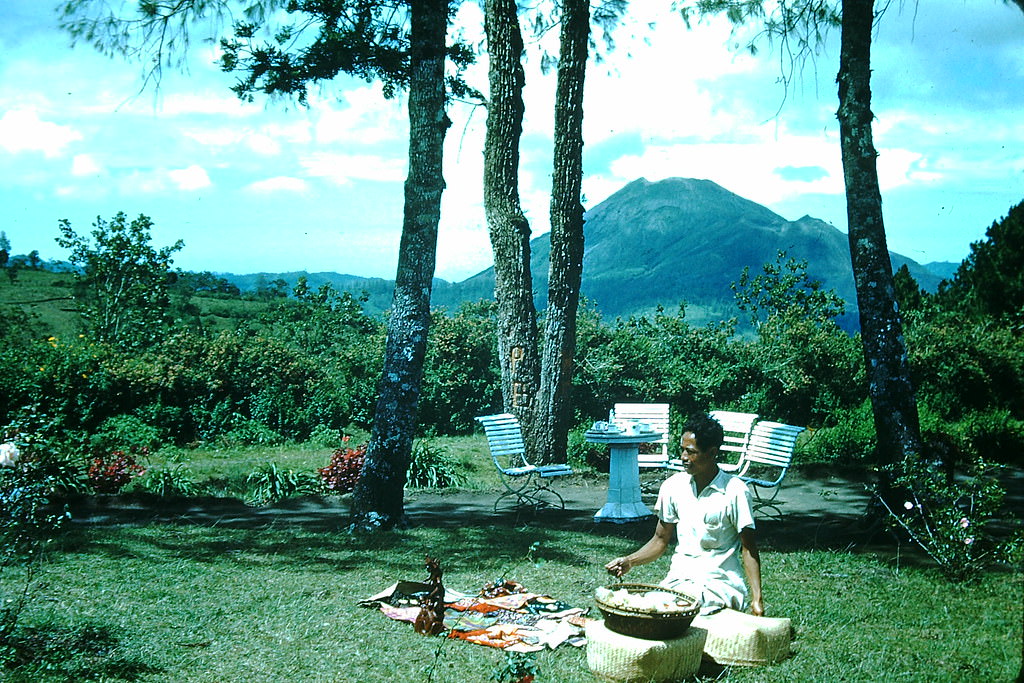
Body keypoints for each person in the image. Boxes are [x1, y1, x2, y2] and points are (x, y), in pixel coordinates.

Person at [605, 413, 764, 616]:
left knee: (686, 610)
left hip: (719, 583)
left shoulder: (735, 491)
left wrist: (757, 600)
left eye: (691, 452)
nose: (683, 457)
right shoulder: (673, 487)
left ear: (712, 452)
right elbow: (660, 540)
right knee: (650, 607)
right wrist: (630, 560)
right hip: (679, 581)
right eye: (682, 450)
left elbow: (749, 549)